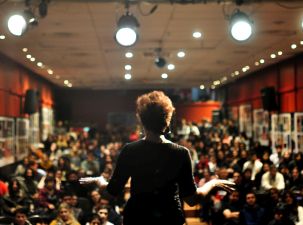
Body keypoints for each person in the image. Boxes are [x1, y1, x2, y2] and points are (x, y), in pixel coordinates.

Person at [80, 91, 235, 225]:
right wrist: (213, 183)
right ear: (167, 123)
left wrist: (99, 181)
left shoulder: (130, 150)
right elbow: (192, 199)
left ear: (141, 121)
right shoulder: (181, 153)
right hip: (169, 219)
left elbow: (110, 193)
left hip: (137, 218)